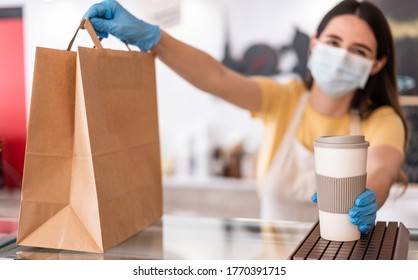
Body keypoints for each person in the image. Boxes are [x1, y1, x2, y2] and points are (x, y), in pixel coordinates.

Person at [83, 0, 409, 234]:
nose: (341, 56)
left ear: (377, 64)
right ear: (314, 44)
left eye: (359, 52)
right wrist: (152, 37)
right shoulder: (283, 99)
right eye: (334, 42)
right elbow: (217, 78)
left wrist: (369, 196)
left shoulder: (381, 120)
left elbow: (381, 168)